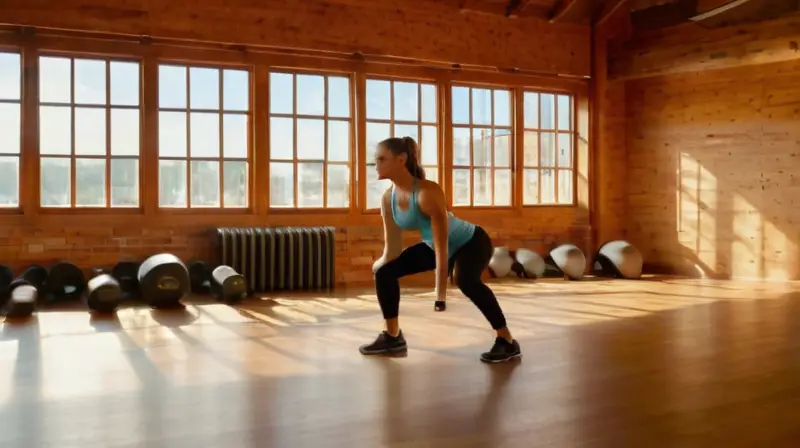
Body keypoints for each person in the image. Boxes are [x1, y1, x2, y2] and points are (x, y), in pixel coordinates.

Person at [360, 136, 521, 363]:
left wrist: (440, 297)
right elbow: (393, 247)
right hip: (434, 245)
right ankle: (392, 336)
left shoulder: (427, 193)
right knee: (385, 272)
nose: (375, 164)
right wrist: (381, 264)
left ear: (401, 159)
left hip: (471, 242)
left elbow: (442, 247)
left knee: (466, 280)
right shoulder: (388, 199)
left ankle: (507, 341)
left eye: (380, 158)